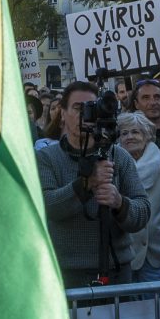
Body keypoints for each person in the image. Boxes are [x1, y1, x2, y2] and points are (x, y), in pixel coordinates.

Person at [33, 81, 145, 286]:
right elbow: (47, 206)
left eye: (91, 108)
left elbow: (142, 212)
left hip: (116, 272)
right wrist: (87, 183)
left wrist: (120, 203)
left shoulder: (118, 156)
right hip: (65, 273)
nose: (85, 114)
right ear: (63, 114)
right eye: (77, 108)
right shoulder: (46, 158)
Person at [113, 110, 160, 282]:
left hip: (157, 250)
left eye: (135, 132)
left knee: (156, 305)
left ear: (147, 136)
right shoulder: (112, 165)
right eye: (124, 133)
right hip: (124, 249)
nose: (129, 137)